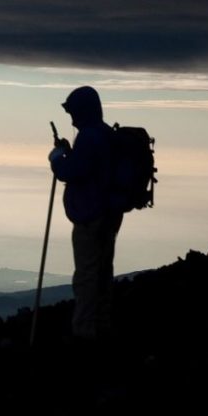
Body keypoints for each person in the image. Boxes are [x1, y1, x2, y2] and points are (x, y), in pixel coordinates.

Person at [49, 86, 122, 341]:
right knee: (102, 272)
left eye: (74, 111)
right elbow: (91, 168)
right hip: (108, 215)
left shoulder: (89, 137)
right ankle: (102, 326)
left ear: (84, 110)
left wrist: (57, 159)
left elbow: (72, 172)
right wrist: (70, 153)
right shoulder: (104, 135)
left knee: (87, 276)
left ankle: (84, 333)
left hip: (90, 217)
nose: (72, 118)